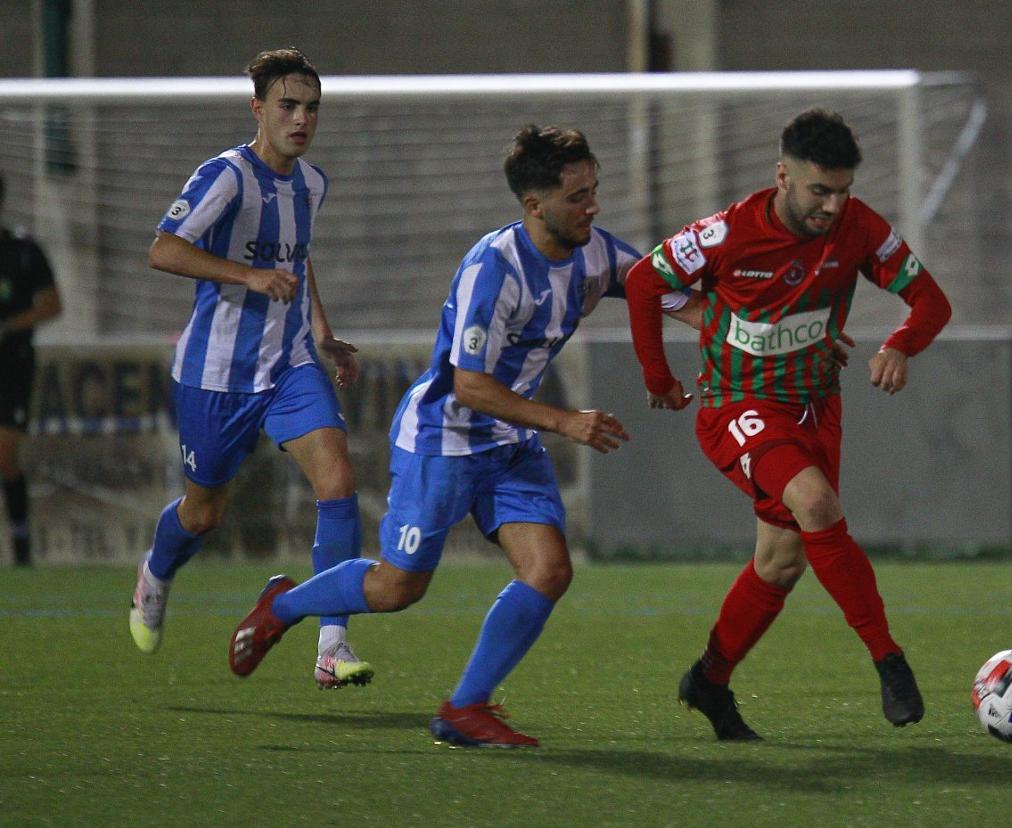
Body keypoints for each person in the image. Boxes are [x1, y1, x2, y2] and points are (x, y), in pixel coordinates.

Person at [227, 124, 700, 748]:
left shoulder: (596, 254)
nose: (594, 206)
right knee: (398, 589)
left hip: (506, 444)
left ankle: (463, 708)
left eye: (595, 191)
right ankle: (282, 606)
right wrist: (565, 422)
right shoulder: (492, 270)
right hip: (442, 441)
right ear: (534, 206)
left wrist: (750, 333)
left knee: (549, 570)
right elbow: (467, 385)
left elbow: (669, 293)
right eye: (578, 196)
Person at [625, 108, 952, 740]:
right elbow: (644, 281)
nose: (832, 206)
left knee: (780, 561)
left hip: (815, 406)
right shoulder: (726, 234)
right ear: (782, 175)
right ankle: (889, 660)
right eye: (818, 191)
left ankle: (709, 681)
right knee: (817, 504)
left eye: (843, 192)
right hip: (737, 408)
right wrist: (657, 378)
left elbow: (930, 301)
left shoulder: (858, 229)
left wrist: (901, 345)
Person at [127, 48, 372, 690]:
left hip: (290, 365)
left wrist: (323, 334)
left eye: (312, 108)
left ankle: (331, 645)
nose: (301, 119)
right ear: (258, 108)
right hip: (217, 374)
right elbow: (162, 250)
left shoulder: (312, 183)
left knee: (339, 481)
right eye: (288, 106)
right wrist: (248, 275)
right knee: (203, 512)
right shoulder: (226, 177)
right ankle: (155, 573)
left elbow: (299, 257)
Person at [0, 172, 63, 567]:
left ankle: (21, 542)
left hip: (11, 363)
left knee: (5, 454)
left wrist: (8, 326)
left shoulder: (21, 250)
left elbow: (53, 305)